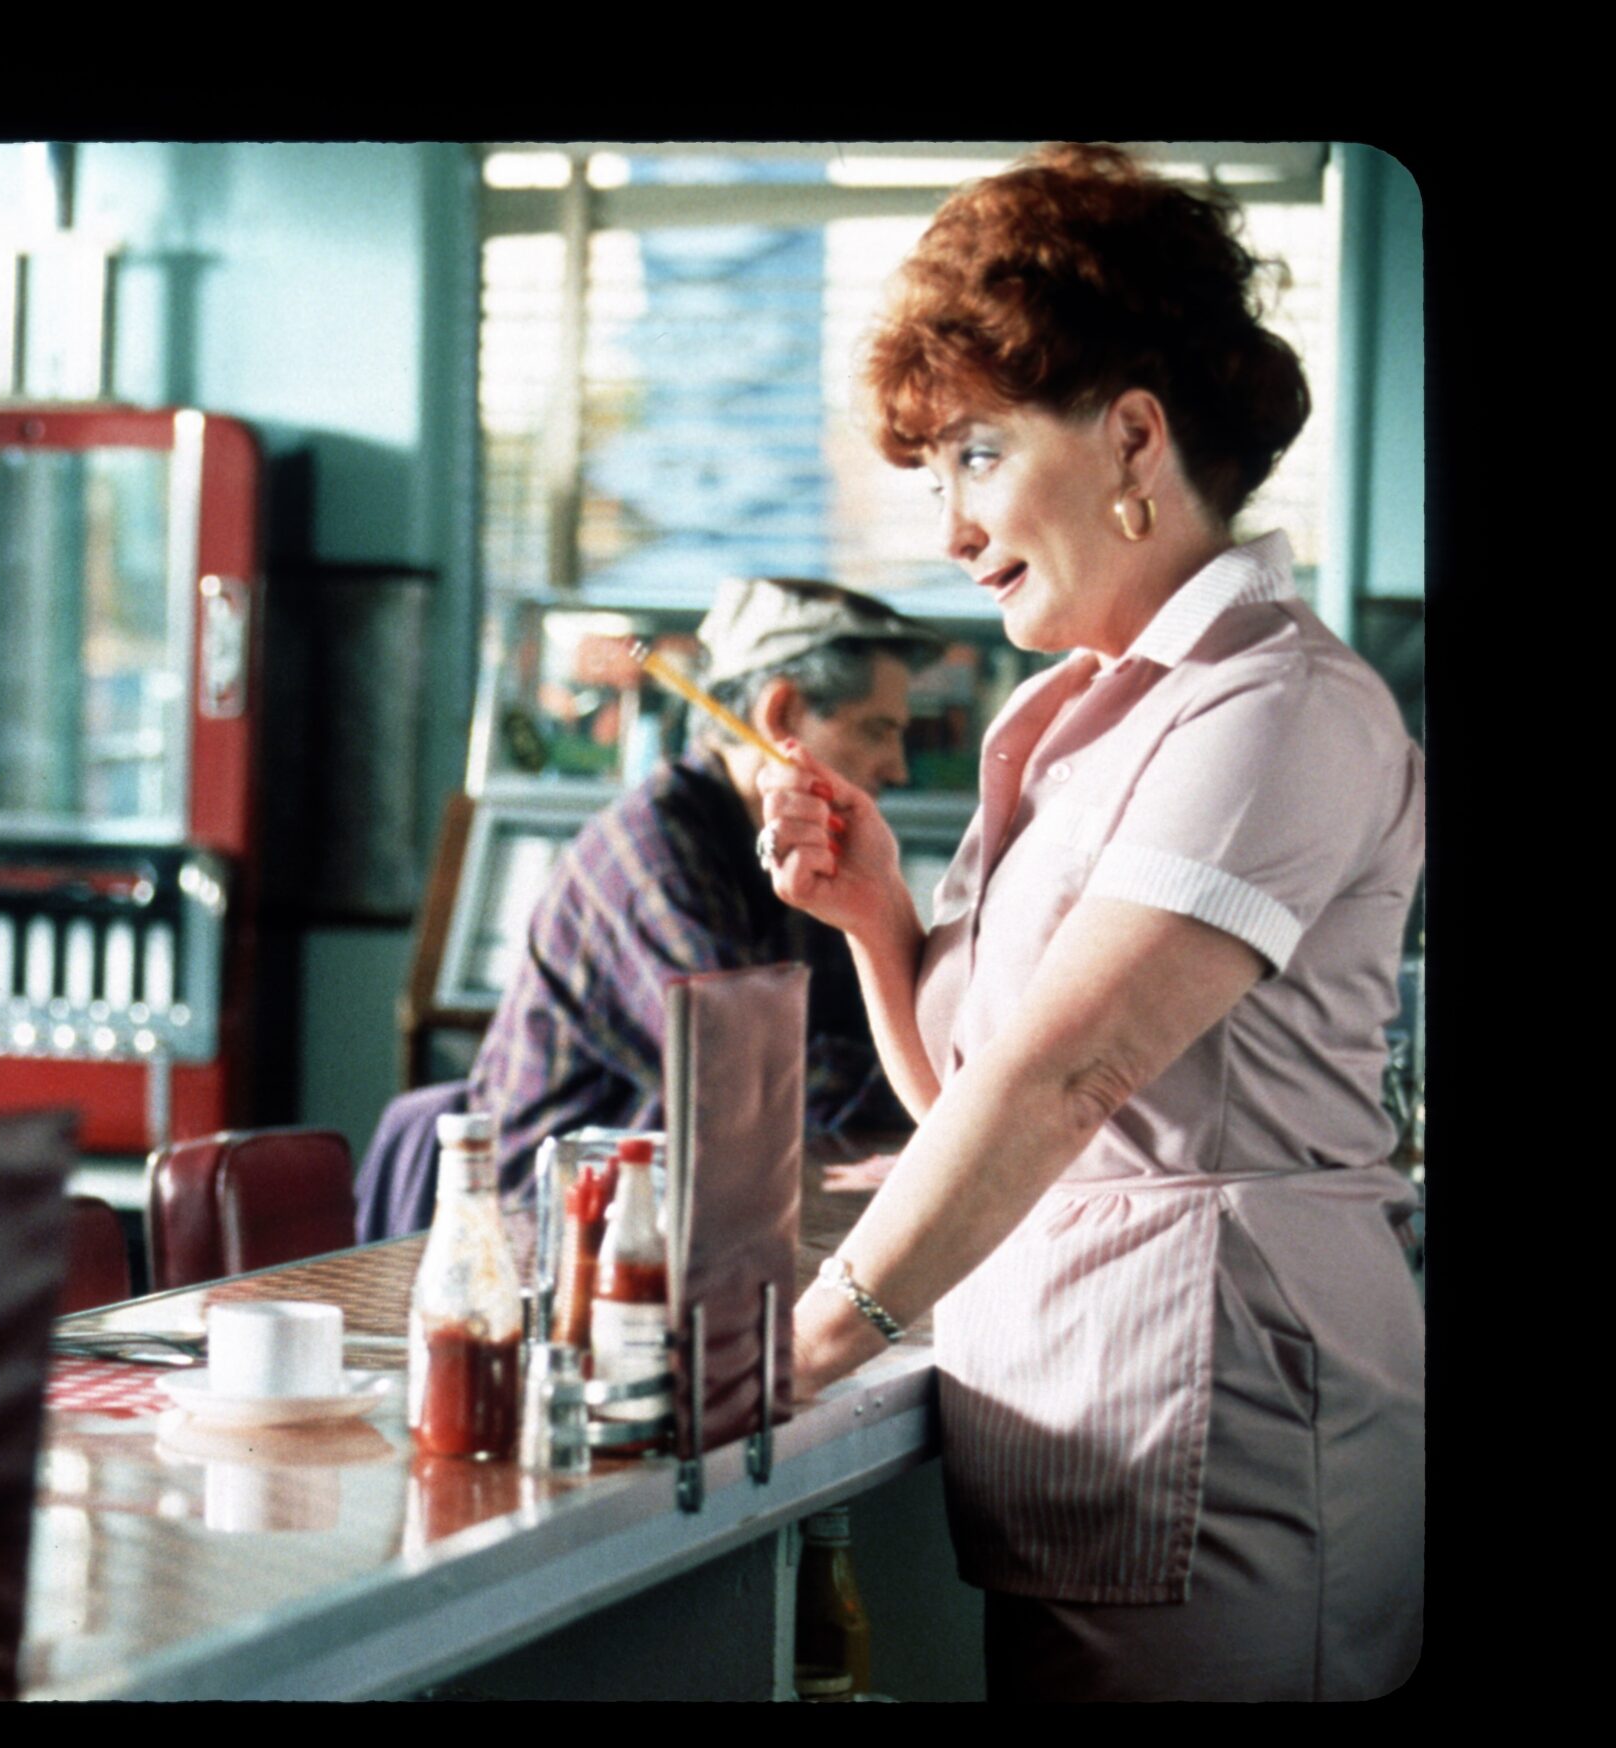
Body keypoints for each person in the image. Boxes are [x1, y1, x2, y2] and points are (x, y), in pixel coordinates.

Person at [756, 144, 1421, 1700]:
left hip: (1232, 1425)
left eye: (978, 455)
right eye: (932, 474)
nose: (948, 527)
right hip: (1089, 1414)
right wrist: (877, 921)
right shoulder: (1071, 717)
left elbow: (1069, 1079)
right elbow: (977, 1093)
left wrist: (797, 1351)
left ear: (1133, 433)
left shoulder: (1279, 705)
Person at [467, 579, 943, 1177]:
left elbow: (859, 1035)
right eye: (877, 730)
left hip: (704, 1189)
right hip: (555, 1212)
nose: (897, 769)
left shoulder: (796, 842)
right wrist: (962, 1092)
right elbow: (755, 1082)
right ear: (781, 713)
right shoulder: (654, 859)